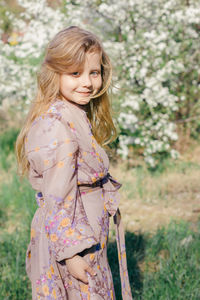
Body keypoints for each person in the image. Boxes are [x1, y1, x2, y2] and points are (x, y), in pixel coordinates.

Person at [15, 26, 132, 300]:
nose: (88, 83)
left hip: (87, 231)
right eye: (75, 73)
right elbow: (58, 197)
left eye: (94, 72)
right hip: (72, 237)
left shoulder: (74, 113)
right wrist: (71, 255)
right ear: (55, 73)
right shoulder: (56, 126)